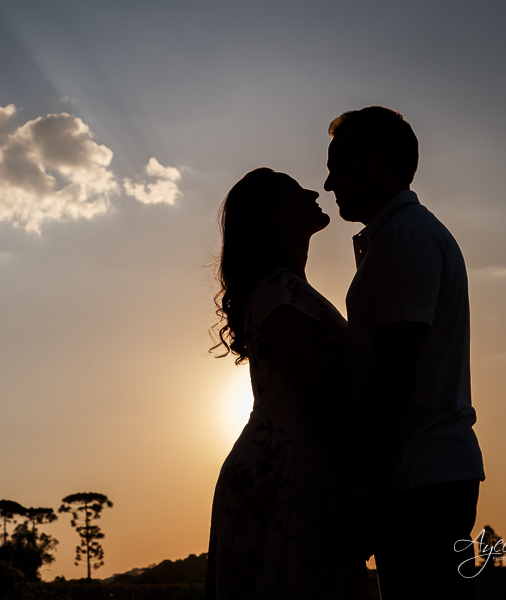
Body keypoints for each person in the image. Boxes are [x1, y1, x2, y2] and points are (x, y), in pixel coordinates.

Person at [323, 106, 485, 599]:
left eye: (338, 166)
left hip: (419, 481)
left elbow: (395, 373)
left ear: (376, 162)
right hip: (421, 475)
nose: (329, 184)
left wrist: (363, 484)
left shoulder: (405, 238)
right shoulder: (400, 236)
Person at [206, 167, 370, 599]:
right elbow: (318, 401)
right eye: (296, 190)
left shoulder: (287, 290)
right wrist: (356, 489)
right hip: (285, 474)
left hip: (295, 466)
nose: (315, 191)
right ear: (275, 219)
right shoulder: (278, 295)